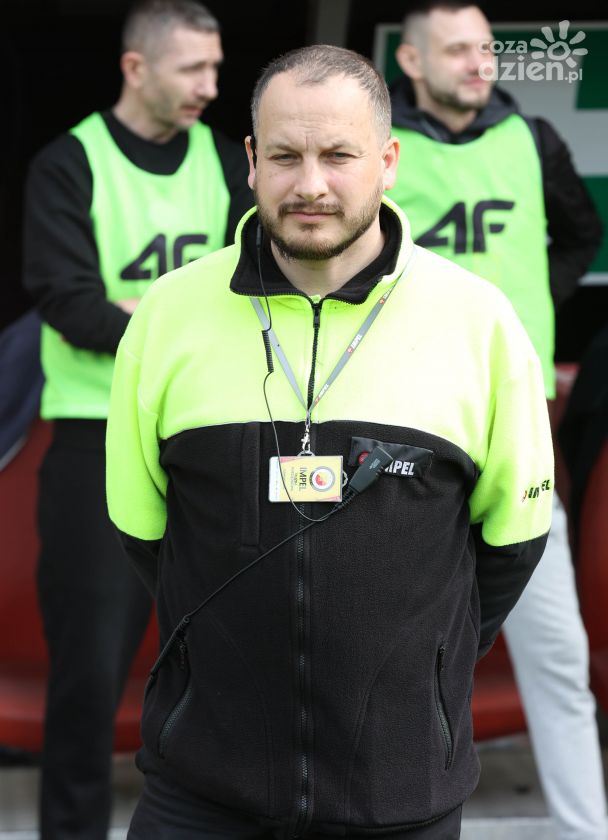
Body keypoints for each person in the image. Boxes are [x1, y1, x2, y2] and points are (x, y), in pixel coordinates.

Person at [106, 44, 553, 839]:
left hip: (400, 792)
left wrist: (423, 672)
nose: (310, 184)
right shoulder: (167, 316)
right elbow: (144, 532)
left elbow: (512, 540)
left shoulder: (478, 322)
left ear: (388, 161)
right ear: (251, 161)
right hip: (201, 790)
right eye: (285, 156)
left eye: (339, 156)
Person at [22, 0, 252, 837]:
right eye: (193, 68)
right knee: (88, 676)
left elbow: (258, 286)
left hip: (209, 438)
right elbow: (71, 306)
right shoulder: (69, 164)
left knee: (232, 660)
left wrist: (138, 315)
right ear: (135, 68)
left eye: (215, 67)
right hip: (96, 441)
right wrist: (193, 324)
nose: (211, 86)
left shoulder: (224, 160)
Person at [389, 3, 607, 838]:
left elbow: (580, 235)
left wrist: (528, 310)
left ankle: (586, 829)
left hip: (518, 432)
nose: (480, 63)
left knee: (557, 655)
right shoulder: (380, 148)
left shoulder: (533, 139)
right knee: (400, 652)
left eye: (486, 48)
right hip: (411, 428)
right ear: (413, 61)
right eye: (458, 50)